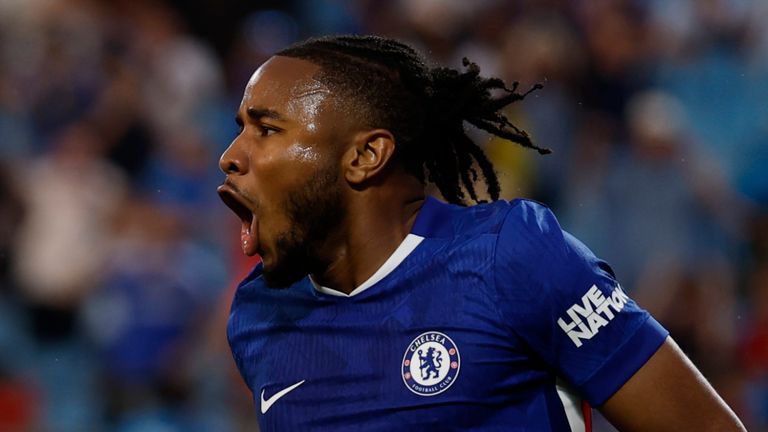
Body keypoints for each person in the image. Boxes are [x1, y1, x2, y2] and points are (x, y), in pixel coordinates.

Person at [217, 35, 745, 431]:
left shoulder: (511, 257)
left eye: (266, 129)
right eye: (240, 127)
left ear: (364, 156)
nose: (231, 156)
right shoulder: (259, 316)